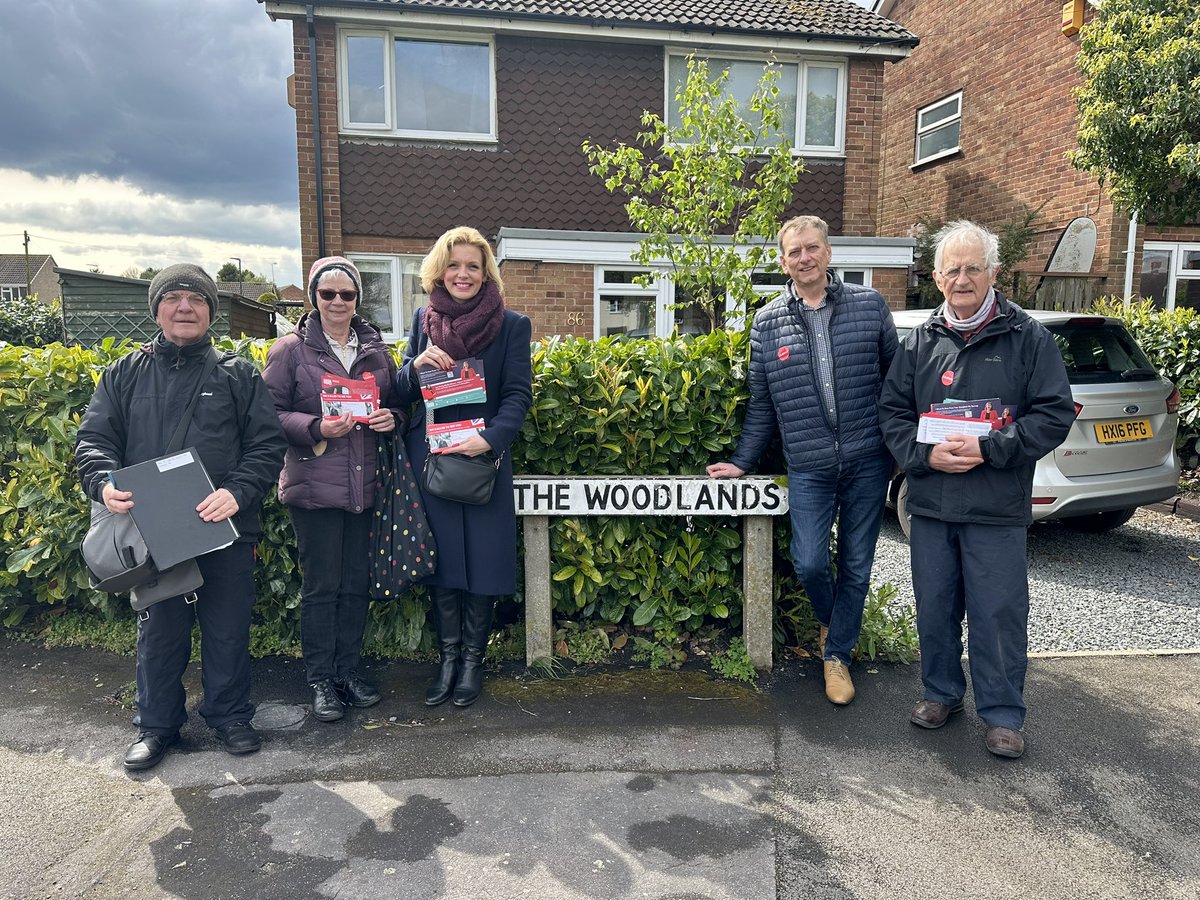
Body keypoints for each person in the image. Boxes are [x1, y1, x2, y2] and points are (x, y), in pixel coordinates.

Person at [76, 264, 287, 772]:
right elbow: (93, 442)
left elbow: (266, 445)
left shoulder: (237, 373)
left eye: (196, 299)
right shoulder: (123, 373)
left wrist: (238, 493)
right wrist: (104, 483)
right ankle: (156, 726)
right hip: (154, 532)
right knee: (160, 630)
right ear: (157, 309)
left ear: (212, 311)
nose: (185, 307)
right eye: (173, 298)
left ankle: (230, 716)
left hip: (224, 528)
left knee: (228, 629)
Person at [878, 220, 1075, 759]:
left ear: (992, 272)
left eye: (972, 268)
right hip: (933, 504)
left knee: (998, 613)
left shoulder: (1027, 337)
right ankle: (941, 692)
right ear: (937, 278)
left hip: (996, 505)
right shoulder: (919, 341)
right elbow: (892, 413)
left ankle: (1003, 714)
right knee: (935, 605)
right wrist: (924, 456)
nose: (962, 279)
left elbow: (1054, 415)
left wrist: (992, 448)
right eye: (952, 270)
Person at [707, 215, 898, 705]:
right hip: (809, 465)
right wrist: (743, 462)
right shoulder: (767, 322)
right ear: (782, 260)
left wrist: (902, 449)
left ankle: (836, 654)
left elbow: (898, 385)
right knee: (810, 561)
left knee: (857, 564)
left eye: (812, 248)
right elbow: (763, 404)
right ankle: (836, 624)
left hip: (867, 460)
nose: (804, 258)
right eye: (795, 251)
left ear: (829, 252)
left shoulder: (870, 306)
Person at [262, 257, 406, 723]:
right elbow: (268, 415)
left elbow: (401, 407)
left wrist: (392, 420)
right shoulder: (289, 351)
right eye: (328, 294)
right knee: (322, 587)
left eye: (347, 294)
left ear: (357, 298)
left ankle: (348, 671)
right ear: (314, 298)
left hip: (365, 487)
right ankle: (321, 680)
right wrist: (316, 426)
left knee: (354, 586)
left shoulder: (376, 350)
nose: (338, 302)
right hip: (313, 487)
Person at [394, 226, 533, 708]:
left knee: (485, 562)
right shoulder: (422, 320)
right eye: (454, 265)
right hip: (432, 460)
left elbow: (518, 395)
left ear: (486, 272)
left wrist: (490, 440)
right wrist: (414, 368)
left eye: (473, 266)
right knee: (446, 563)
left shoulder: (513, 325)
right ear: (439, 270)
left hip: (483, 459)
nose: (463, 274)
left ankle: (473, 662)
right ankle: (447, 660)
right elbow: (400, 391)